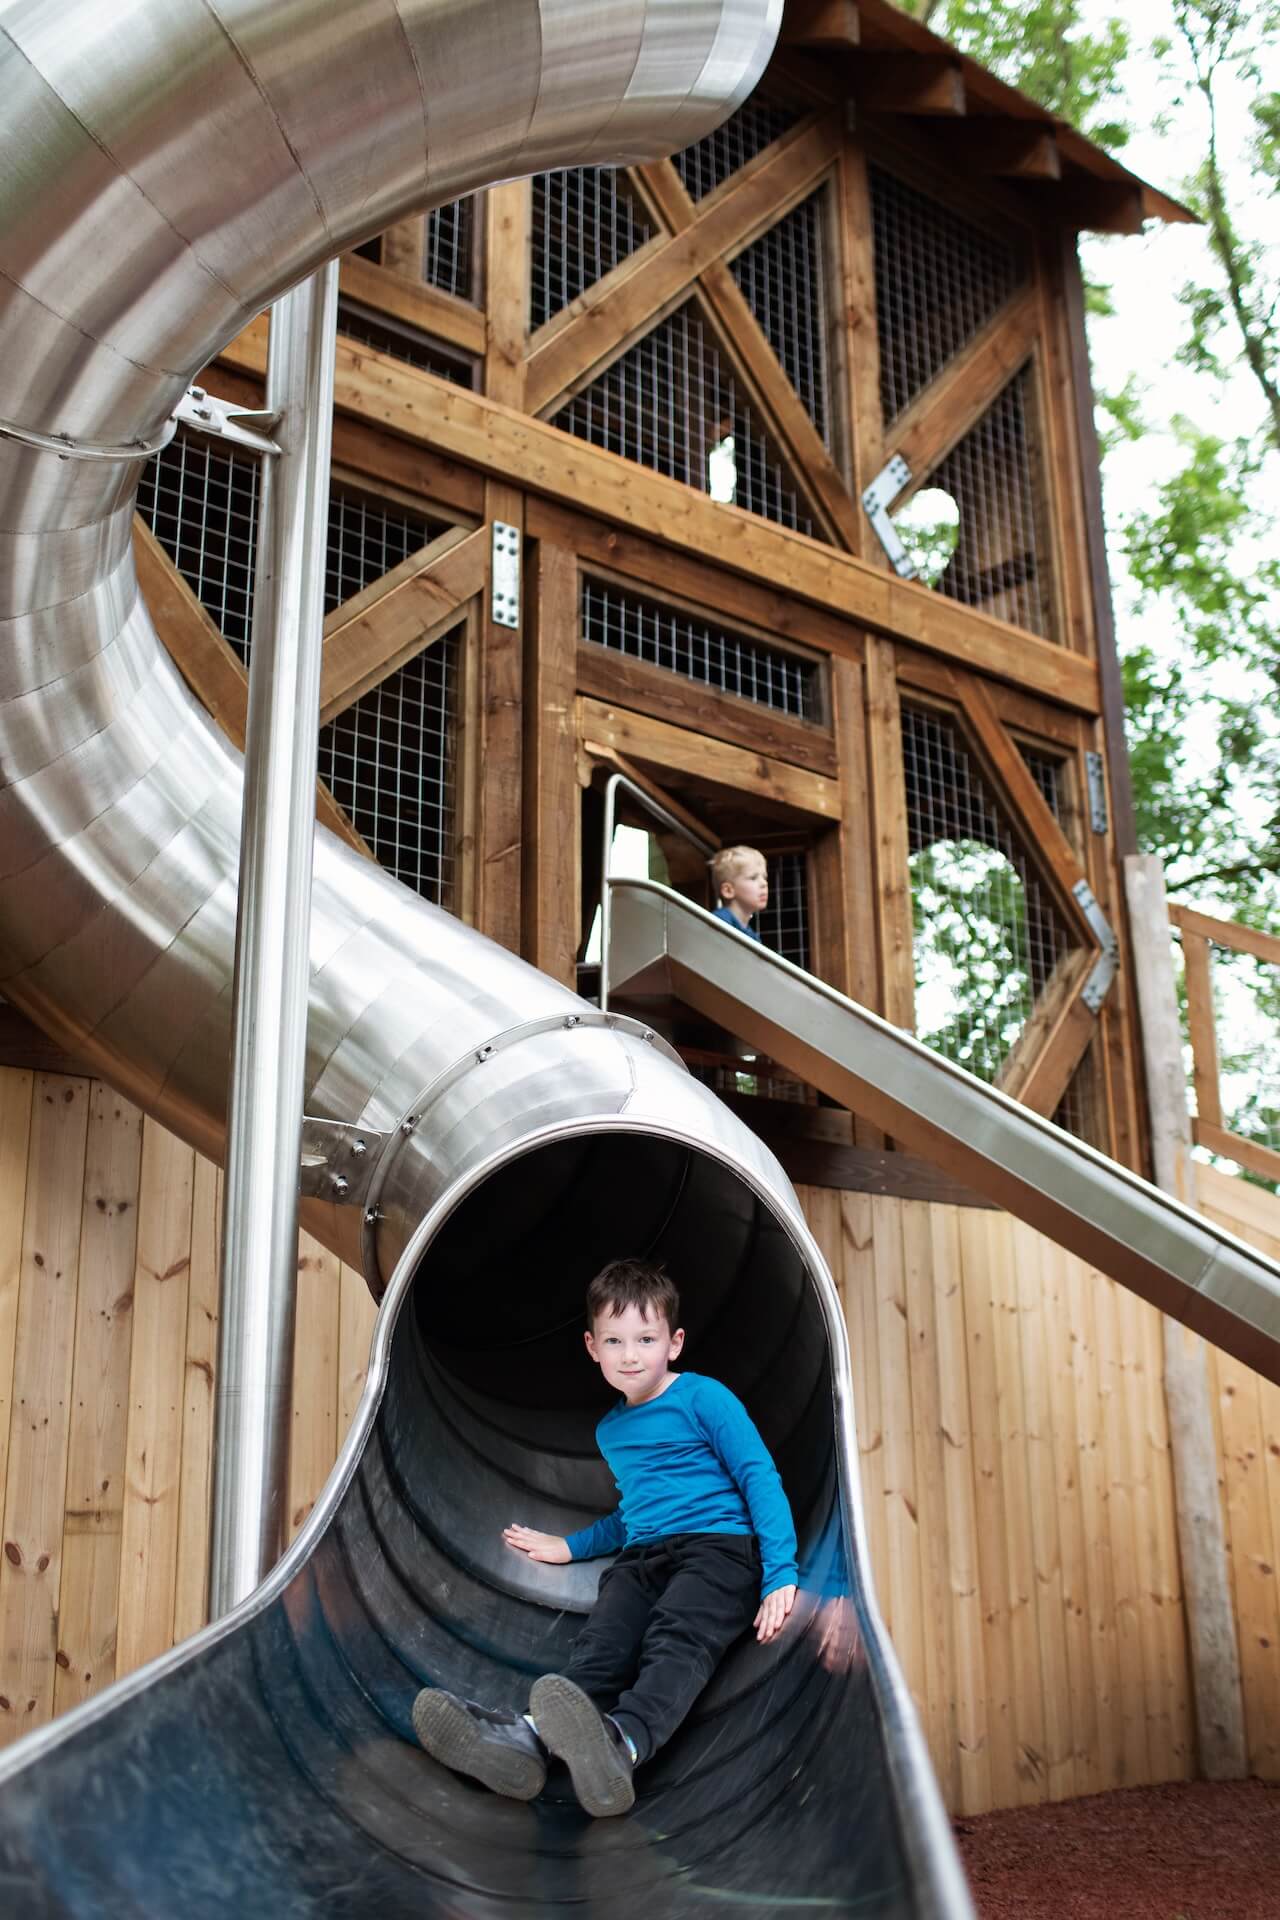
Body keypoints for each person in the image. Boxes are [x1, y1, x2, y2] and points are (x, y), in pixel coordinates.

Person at [412, 1257, 798, 1819]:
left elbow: (757, 1475)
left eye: (646, 1339)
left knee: (677, 1637)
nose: (630, 1355)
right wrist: (569, 1547)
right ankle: (528, 1739)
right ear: (592, 1347)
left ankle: (624, 1743)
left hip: (718, 1550)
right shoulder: (611, 1430)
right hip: (640, 1558)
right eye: (615, 1341)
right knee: (603, 1646)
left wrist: (780, 1571)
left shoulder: (703, 1398)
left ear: (675, 1343)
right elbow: (631, 1512)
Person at [709, 844, 768, 942]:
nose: (764, 883)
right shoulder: (718, 923)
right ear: (728, 890)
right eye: (753, 878)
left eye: (765, 877)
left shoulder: (753, 937)